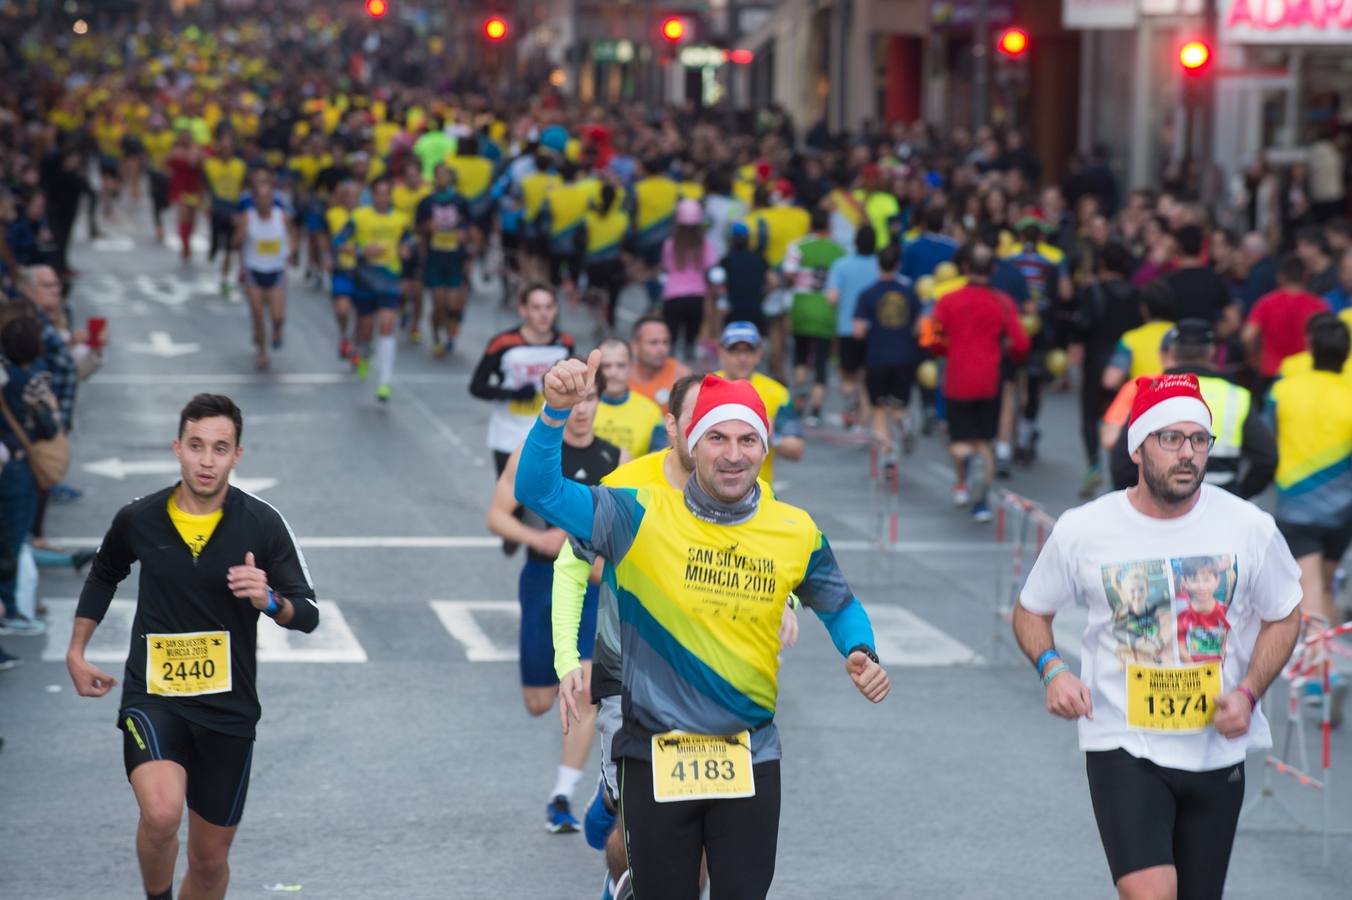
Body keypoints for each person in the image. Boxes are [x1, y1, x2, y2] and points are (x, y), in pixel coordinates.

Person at [515, 359, 889, 900]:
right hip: (654, 750)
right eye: (716, 437)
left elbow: (840, 603)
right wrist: (554, 412)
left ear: (764, 449)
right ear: (691, 442)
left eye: (747, 439)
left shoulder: (794, 529)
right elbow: (538, 491)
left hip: (750, 754)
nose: (733, 454)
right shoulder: (635, 512)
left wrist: (860, 650)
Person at [1012, 372, 1301, 900]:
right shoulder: (1085, 529)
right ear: (1139, 448)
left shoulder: (1249, 527)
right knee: (1149, 894)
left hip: (1216, 747)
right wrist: (1052, 669)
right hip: (1123, 741)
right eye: (1170, 438)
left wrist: (1248, 691)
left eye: (1198, 439)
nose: (1187, 453)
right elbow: (1032, 611)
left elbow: (1285, 614)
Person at [65, 394, 319, 900]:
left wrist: (269, 600)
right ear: (177, 448)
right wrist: (77, 650)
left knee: (208, 862)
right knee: (160, 814)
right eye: (197, 446)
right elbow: (104, 572)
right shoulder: (139, 519)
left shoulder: (262, 523)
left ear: (237, 456)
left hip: (228, 709)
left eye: (220, 449)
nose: (207, 460)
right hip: (154, 697)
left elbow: (307, 614)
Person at [488, 371, 624, 833]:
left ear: (601, 403)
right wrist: (538, 539)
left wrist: (604, 567)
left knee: (585, 688)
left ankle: (562, 795)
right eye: (577, 399)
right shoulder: (534, 452)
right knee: (539, 701)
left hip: (594, 586)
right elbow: (496, 515)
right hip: (542, 579)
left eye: (592, 399)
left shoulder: (617, 459)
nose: (583, 409)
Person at [1268, 313, 1352, 701]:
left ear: (1311, 348)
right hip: (1342, 510)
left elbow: (1267, 437)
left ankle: (1323, 671)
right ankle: (1333, 656)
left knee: (1311, 585)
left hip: (1296, 506)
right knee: (1327, 587)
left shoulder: (1284, 390)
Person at [1106, 320, 1276, 499]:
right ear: (1212, 352)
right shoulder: (1237, 395)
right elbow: (1267, 458)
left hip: (1162, 503)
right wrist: (1238, 495)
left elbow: (1122, 461)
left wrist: (1142, 501)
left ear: (1172, 351)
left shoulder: (1153, 392)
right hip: (1220, 504)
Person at [930, 244, 1030, 521]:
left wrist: (943, 351)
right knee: (985, 440)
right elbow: (1021, 343)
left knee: (959, 438)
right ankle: (981, 504)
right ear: (993, 270)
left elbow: (931, 337)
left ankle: (961, 483)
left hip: (957, 379)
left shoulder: (947, 300)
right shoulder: (1003, 302)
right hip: (990, 379)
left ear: (965, 268)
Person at [470, 283, 576, 480]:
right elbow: (476, 387)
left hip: (549, 435)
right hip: (508, 435)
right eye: (536, 307)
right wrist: (512, 394)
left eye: (549, 307)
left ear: (556, 309)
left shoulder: (565, 343)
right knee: (511, 502)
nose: (543, 314)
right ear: (523, 310)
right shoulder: (503, 343)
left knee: (546, 503)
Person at [336, 176, 414, 401]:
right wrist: (361, 252)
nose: (383, 197)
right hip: (364, 278)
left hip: (390, 278)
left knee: (387, 326)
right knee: (366, 327)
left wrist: (406, 251)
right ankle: (364, 352)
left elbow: (408, 243)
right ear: (372, 195)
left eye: (387, 193)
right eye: (378, 193)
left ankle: (384, 382)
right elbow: (338, 242)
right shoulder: (359, 217)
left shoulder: (401, 219)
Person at [1074, 242, 1142, 496]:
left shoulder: (1092, 292)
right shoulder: (1137, 294)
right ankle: (1123, 463)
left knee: (1090, 417)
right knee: (1125, 418)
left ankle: (1094, 464)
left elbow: (1081, 326)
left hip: (1095, 363)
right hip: (1126, 367)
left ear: (1101, 264)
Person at [853, 245, 922, 470]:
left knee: (879, 408)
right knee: (899, 405)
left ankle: (888, 454)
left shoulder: (868, 293)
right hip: (905, 356)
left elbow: (859, 331)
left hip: (878, 356)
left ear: (877, 264)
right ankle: (904, 422)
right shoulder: (909, 293)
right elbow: (920, 327)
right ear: (898, 265)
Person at [716, 321, 805, 487]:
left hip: (759, 496)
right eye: (734, 350)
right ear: (721, 353)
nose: (742, 358)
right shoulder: (703, 388)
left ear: (759, 354)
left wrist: (772, 436)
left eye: (749, 351)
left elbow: (796, 449)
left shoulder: (778, 393)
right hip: (710, 493)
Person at [784, 208, 846, 425]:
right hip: (827, 310)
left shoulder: (798, 246)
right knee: (821, 361)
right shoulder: (839, 251)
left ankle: (799, 398)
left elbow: (789, 272)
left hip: (802, 307)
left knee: (800, 355)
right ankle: (816, 411)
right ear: (828, 227)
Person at [234, 170, 296, 370]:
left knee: (277, 316)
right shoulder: (248, 217)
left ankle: (277, 330)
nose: (264, 202)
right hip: (254, 271)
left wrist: (292, 251)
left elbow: (292, 237)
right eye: (260, 198)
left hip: (276, 271)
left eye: (267, 198)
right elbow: (235, 242)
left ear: (273, 199)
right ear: (254, 200)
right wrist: (240, 236)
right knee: (258, 314)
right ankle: (262, 350)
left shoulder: (281, 217)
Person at [1242, 254, 1330, 391]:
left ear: (1280, 276)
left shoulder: (1266, 302)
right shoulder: (1318, 305)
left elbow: (1247, 336)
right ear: (1305, 276)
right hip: (1305, 373)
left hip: (1271, 371)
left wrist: (1254, 359)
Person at [825, 224, 882, 432]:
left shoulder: (841, 265)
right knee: (868, 378)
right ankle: (864, 421)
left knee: (849, 374)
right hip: (875, 331)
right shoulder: (880, 267)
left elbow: (832, 297)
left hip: (847, 327)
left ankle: (850, 403)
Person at [415, 164, 471, 356]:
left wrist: (466, 239)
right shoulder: (426, 202)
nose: (442, 179)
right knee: (438, 302)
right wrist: (426, 229)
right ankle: (437, 337)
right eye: (439, 175)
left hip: (455, 258)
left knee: (453, 304)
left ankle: (453, 325)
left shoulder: (460, 201)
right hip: (435, 258)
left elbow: (469, 227)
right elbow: (418, 230)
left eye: (445, 175)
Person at [660, 199, 717, 361]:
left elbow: (666, 266)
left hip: (672, 296)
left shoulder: (670, 243)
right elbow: (711, 266)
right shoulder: (703, 243)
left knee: (671, 342)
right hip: (696, 296)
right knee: (690, 344)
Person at [593, 339, 667, 459]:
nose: (613, 372)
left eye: (621, 365)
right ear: (596, 368)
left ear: (631, 367)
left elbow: (659, 461)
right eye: (606, 366)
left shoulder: (651, 411)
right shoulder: (580, 407)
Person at [1161, 225, 1239, 336]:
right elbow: (1233, 322)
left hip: (1177, 346)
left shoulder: (1167, 282)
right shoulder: (1214, 279)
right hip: (1206, 348)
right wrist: (1211, 334)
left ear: (1178, 247)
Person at [1101, 282, 1176, 391]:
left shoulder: (1130, 339)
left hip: (1145, 401)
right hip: (1179, 399)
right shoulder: (1182, 334)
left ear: (1144, 308)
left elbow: (1110, 380)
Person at [203, 132, 247, 295]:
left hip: (233, 207)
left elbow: (244, 187)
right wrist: (207, 204)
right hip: (217, 206)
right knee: (216, 240)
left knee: (230, 246)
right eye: (223, 146)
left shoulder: (240, 166)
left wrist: (242, 211)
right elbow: (205, 187)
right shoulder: (210, 165)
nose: (226, 150)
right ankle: (213, 249)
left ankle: (225, 278)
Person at [628, 316, 689, 414]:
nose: (662, 349)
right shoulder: (621, 375)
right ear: (634, 346)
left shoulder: (681, 377)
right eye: (653, 343)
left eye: (665, 342)